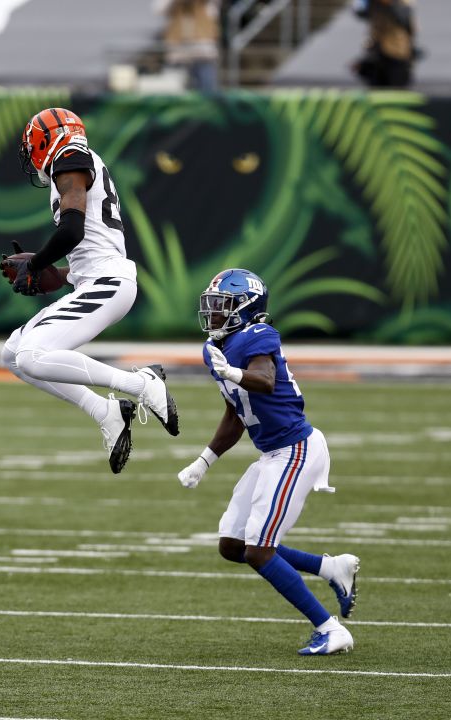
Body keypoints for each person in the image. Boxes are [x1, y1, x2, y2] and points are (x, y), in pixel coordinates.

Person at [176, 268, 360, 655]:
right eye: (211, 306)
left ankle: (330, 629)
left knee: (259, 550)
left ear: (245, 308)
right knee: (233, 545)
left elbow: (263, 379)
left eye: (222, 306)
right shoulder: (218, 350)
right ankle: (330, 568)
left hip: (296, 450)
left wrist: (234, 372)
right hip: (271, 454)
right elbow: (236, 413)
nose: (212, 314)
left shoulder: (258, 335)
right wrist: (204, 461)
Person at [0, 108, 180, 474]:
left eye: (33, 144)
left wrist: (35, 264)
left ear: (49, 139)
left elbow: (71, 232)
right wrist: (55, 274)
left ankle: (142, 383)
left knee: (33, 355)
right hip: (100, 279)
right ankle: (106, 412)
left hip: (109, 282)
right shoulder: (77, 162)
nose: (30, 152)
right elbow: (89, 249)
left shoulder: (69, 157)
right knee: (13, 353)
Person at [155, 0, 220, 92]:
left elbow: (214, 10)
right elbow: (159, 10)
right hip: (178, 53)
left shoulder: (208, 4)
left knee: (208, 95)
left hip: (203, 53)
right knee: (174, 93)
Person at [351, 0, 416, 88]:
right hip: (376, 51)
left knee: (396, 88)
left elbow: (405, 18)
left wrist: (391, 3)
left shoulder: (402, 3)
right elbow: (360, 12)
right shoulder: (372, 4)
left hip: (397, 53)